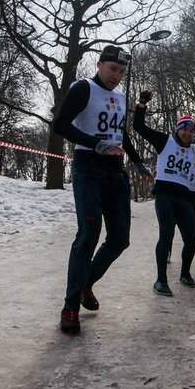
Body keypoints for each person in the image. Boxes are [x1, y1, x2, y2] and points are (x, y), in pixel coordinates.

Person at [53, 44, 152, 335]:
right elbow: (60, 124)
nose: (116, 76)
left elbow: (120, 133)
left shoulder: (121, 97)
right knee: (88, 234)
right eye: (112, 69)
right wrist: (94, 143)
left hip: (115, 171)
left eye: (121, 72)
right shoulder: (83, 88)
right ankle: (70, 306)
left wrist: (137, 162)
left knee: (120, 239)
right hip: (88, 168)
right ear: (99, 65)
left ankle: (86, 282)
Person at [132, 90, 195, 296]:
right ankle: (161, 280)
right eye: (184, 129)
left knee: (191, 237)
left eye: (191, 130)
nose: (188, 133)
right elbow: (138, 127)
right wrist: (141, 105)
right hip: (164, 194)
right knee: (167, 235)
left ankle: (185, 274)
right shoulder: (165, 141)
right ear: (178, 130)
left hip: (184, 197)